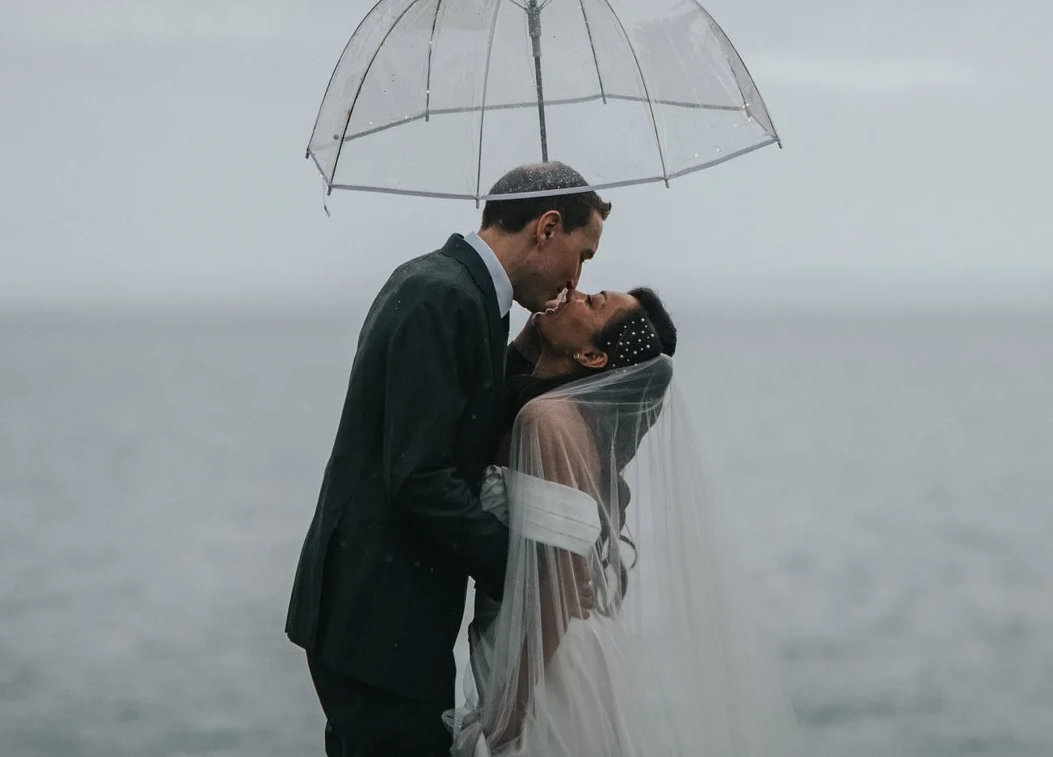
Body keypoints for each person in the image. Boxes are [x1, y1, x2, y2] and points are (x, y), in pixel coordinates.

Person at [288, 162, 611, 757]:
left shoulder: (468, 296)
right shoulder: (440, 295)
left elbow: (461, 432)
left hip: (393, 615)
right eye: (583, 254)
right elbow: (420, 478)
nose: (578, 276)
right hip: (375, 620)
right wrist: (524, 577)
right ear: (546, 228)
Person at [459, 286, 797, 756]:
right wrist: (536, 334)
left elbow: (559, 586)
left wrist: (504, 719)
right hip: (547, 650)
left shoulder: (546, 421)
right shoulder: (564, 418)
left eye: (592, 302)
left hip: (543, 666)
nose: (573, 293)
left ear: (593, 356)